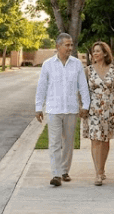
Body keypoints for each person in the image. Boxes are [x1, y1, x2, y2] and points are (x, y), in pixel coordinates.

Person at [35, 33, 91, 187]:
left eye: (71, 45)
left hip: (71, 109)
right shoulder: (47, 64)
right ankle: (56, 174)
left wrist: (85, 105)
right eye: (67, 45)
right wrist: (38, 107)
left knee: (68, 143)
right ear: (58, 46)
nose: (70, 48)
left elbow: (83, 86)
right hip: (53, 109)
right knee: (54, 143)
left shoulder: (77, 64)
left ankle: (65, 170)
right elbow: (42, 87)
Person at [83, 41, 114, 186]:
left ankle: (102, 169)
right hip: (93, 109)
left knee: (105, 141)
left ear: (105, 53)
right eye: (93, 51)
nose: (95, 54)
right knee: (95, 140)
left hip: (109, 109)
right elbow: (82, 90)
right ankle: (98, 173)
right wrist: (82, 107)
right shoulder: (88, 70)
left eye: (98, 51)